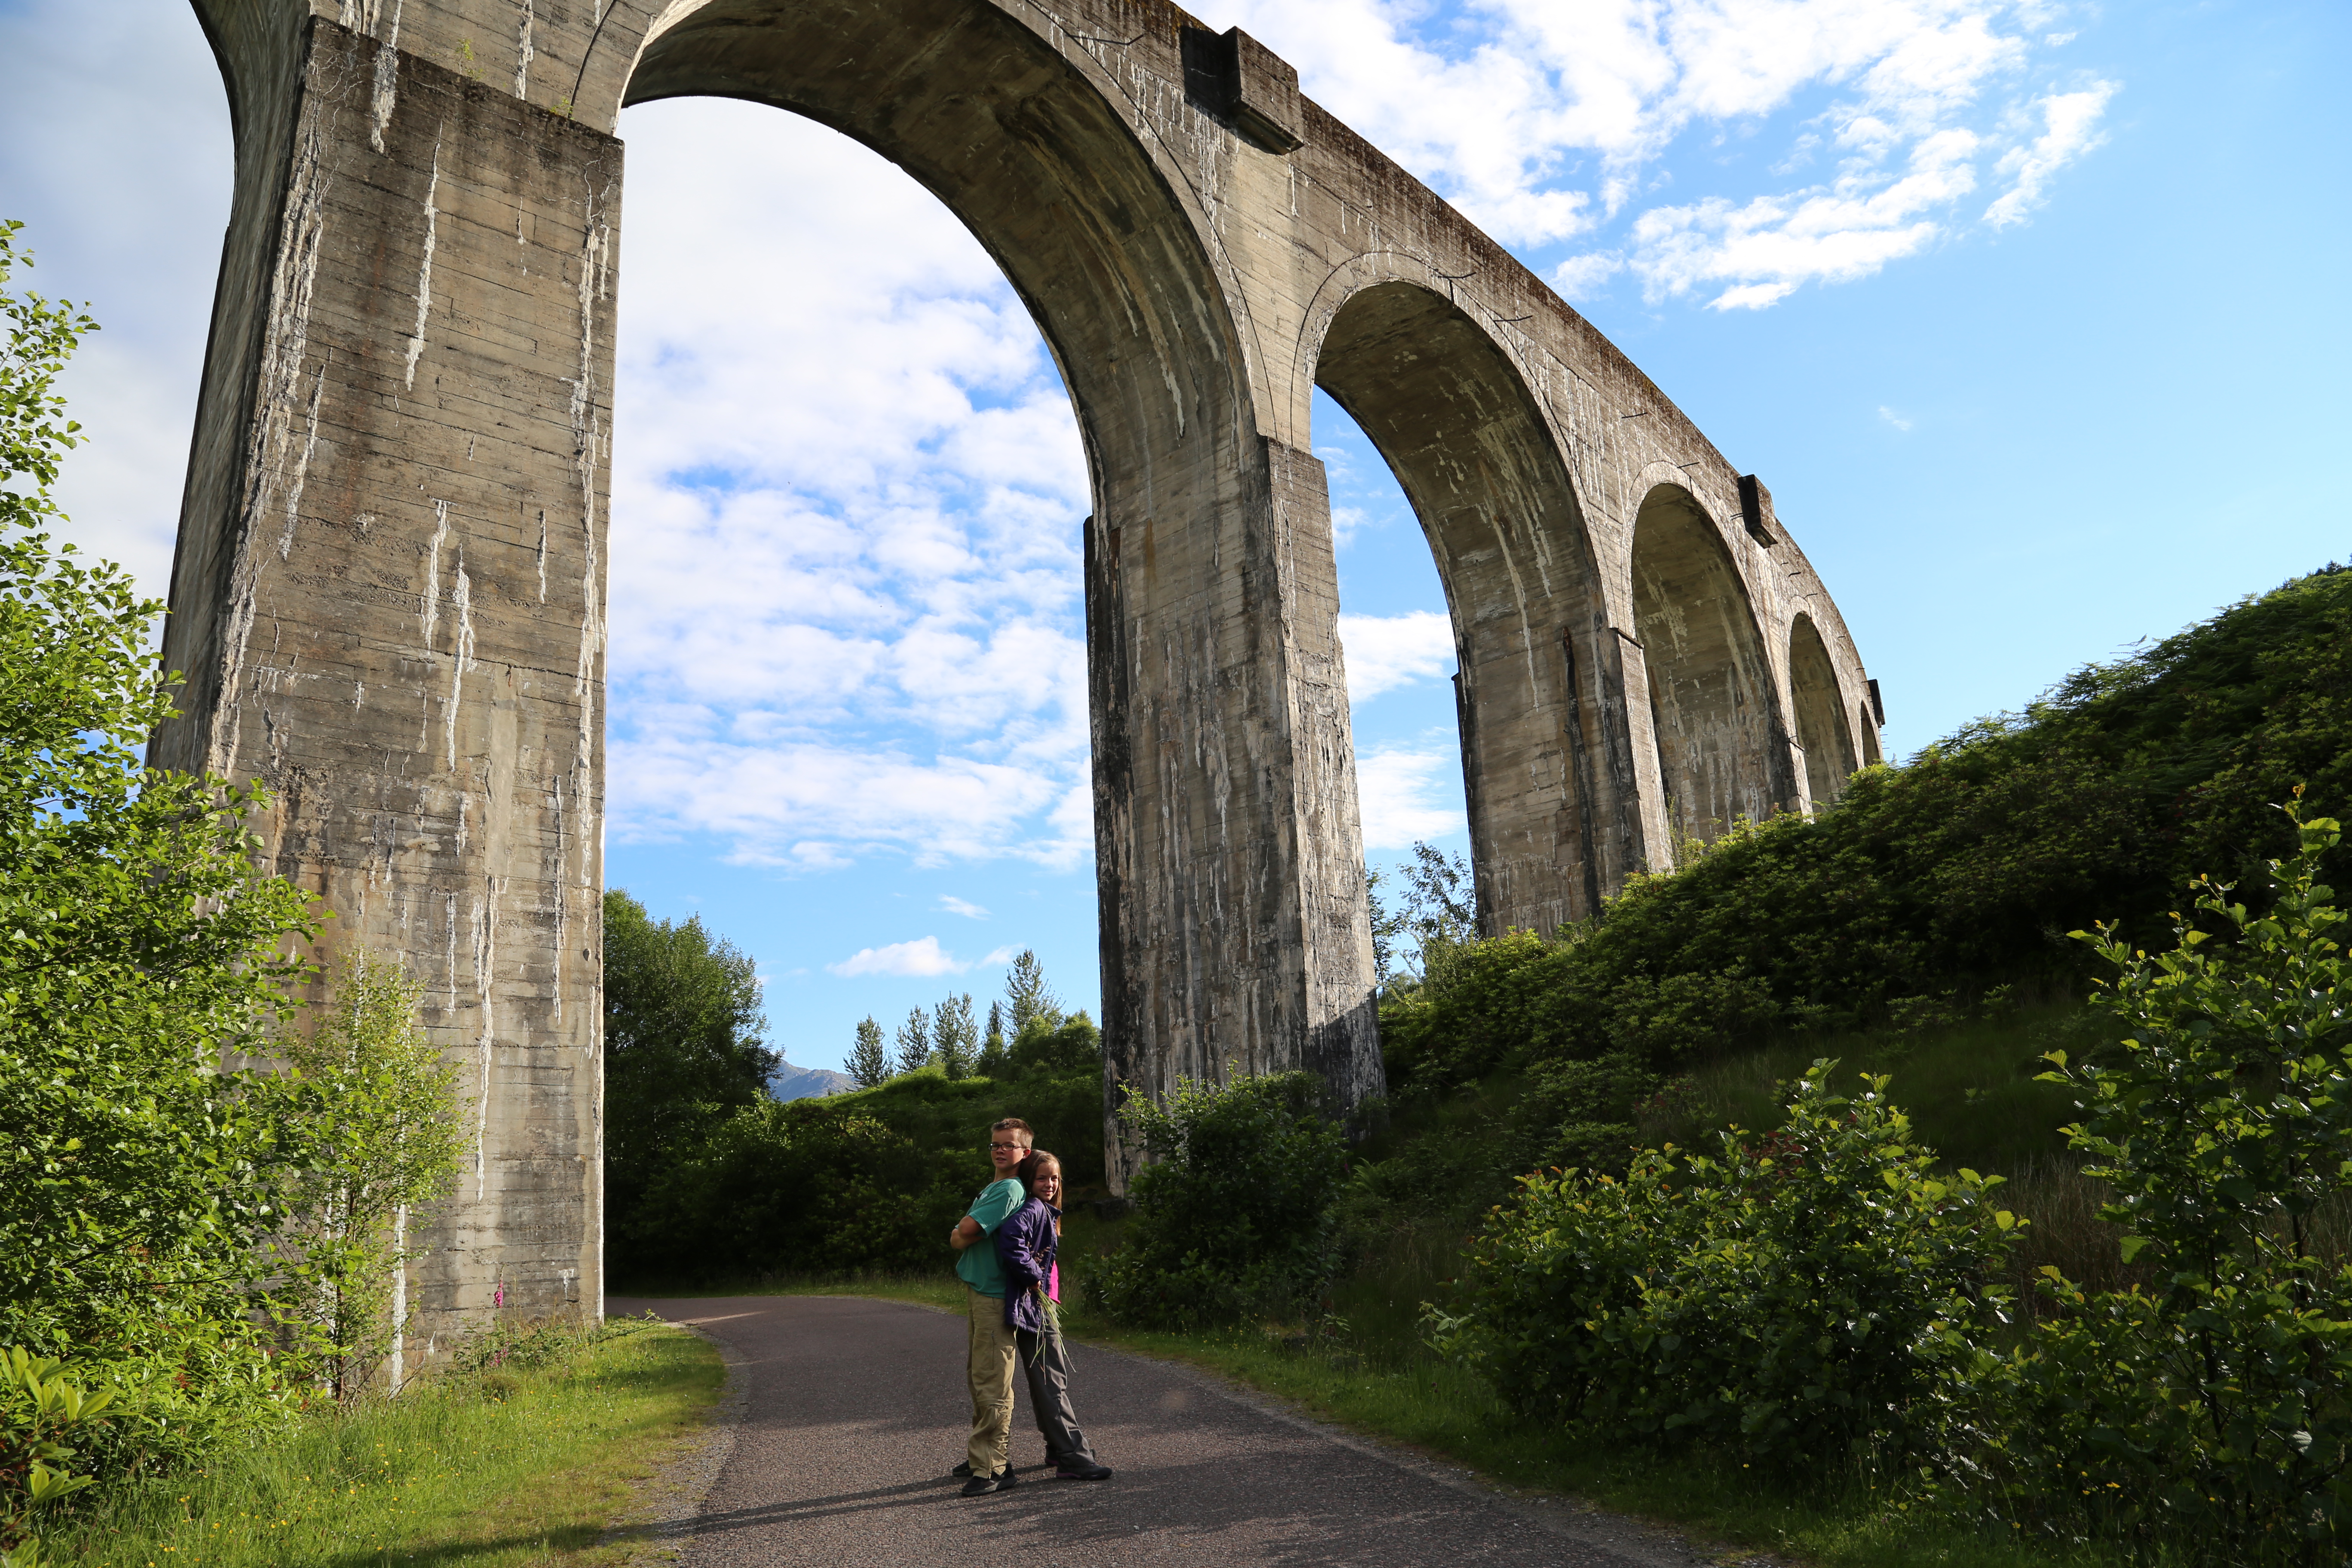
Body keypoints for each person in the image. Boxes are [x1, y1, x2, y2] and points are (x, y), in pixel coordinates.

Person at [995, 1149, 1113, 1481]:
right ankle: (1073, 1456)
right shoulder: (1033, 1209)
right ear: (1030, 1181)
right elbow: (1012, 1240)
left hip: (1037, 1306)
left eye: (1055, 1178)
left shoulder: (1045, 1211)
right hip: (1034, 1308)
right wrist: (1034, 1276)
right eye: (1042, 1178)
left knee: (1045, 1380)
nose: (1050, 1184)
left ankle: (1058, 1447)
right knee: (1053, 1381)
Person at [948, 1117, 1030, 1496]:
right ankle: (985, 1454)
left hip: (996, 1295)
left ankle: (994, 1468)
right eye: (995, 1144)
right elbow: (965, 1232)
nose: (999, 1150)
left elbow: (964, 1233)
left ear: (1024, 1152)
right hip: (980, 1291)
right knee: (979, 1376)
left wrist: (959, 1234)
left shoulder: (1009, 1188)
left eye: (1008, 1145)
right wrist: (961, 1233)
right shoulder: (995, 1185)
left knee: (994, 1381)